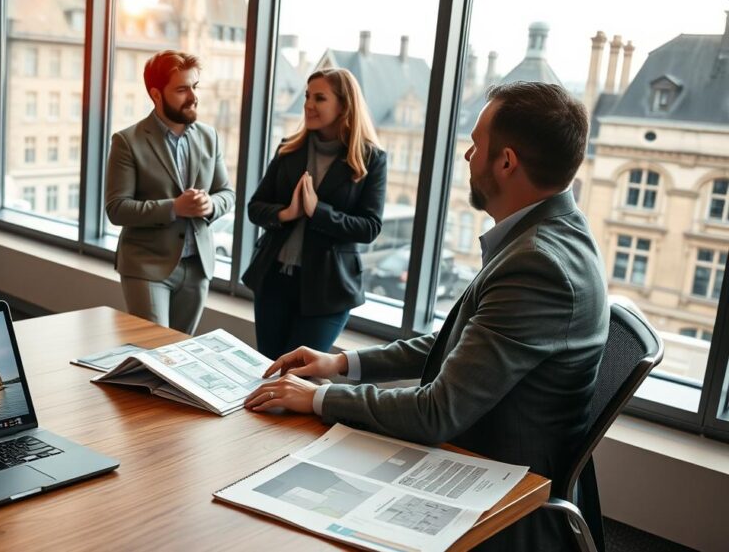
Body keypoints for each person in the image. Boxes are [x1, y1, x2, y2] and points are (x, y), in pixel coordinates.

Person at [245, 82, 608, 552]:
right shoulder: (551, 233)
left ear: (506, 162)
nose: (468, 156)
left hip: (494, 482)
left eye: (477, 145)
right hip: (482, 448)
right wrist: (342, 365)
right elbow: (457, 343)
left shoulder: (537, 263)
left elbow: (436, 413)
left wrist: (319, 398)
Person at [242, 68, 386, 360]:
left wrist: (317, 212)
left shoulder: (371, 159)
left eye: (319, 98)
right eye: (307, 96)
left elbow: (369, 227)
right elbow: (255, 208)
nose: (308, 104)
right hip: (274, 282)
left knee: (296, 377)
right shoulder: (288, 149)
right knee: (267, 372)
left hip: (327, 290)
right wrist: (288, 213)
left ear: (344, 105)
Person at [105, 50, 235, 335]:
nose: (193, 96)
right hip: (147, 266)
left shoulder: (209, 136)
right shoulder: (127, 141)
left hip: (198, 266)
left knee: (180, 355)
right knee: (154, 353)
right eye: (181, 89)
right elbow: (116, 208)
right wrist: (174, 207)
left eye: (194, 86)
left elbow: (226, 193)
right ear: (156, 94)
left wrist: (209, 205)